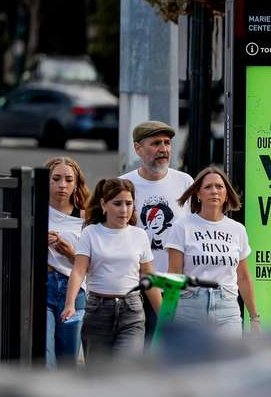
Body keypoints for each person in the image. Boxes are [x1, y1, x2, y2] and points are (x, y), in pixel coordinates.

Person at [61, 178, 162, 358]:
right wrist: (70, 304)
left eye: (128, 203)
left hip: (132, 311)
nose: (124, 210)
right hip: (97, 311)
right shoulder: (90, 233)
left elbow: (147, 275)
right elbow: (78, 271)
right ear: (103, 204)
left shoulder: (139, 235)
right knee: (99, 377)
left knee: (125, 372)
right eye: (117, 204)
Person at [165, 166, 260, 338]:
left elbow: (244, 277)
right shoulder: (182, 227)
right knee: (191, 363)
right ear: (198, 194)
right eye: (208, 187)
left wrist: (254, 318)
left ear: (226, 195)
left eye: (219, 186)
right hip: (190, 306)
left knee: (229, 362)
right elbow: (174, 275)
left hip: (227, 308)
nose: (214, 191)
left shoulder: (237, 229)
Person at [120, 121, 193, 273]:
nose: (163, 149)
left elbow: (195, 230)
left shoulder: (185, 182)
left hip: (175, 283)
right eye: (156, 143)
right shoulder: (122, 184)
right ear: (138, 148)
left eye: (167, 143)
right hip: (134, 284)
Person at [45, 157, 89, 368]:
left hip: (74, 290)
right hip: (44, 286)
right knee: (46, 356)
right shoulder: (35, 210)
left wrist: (71, 253)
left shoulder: (84, 216)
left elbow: (92, 263)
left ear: (76, 184)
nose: (62, 185)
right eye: (56, 179)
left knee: (68, 361)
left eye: (68, 180)